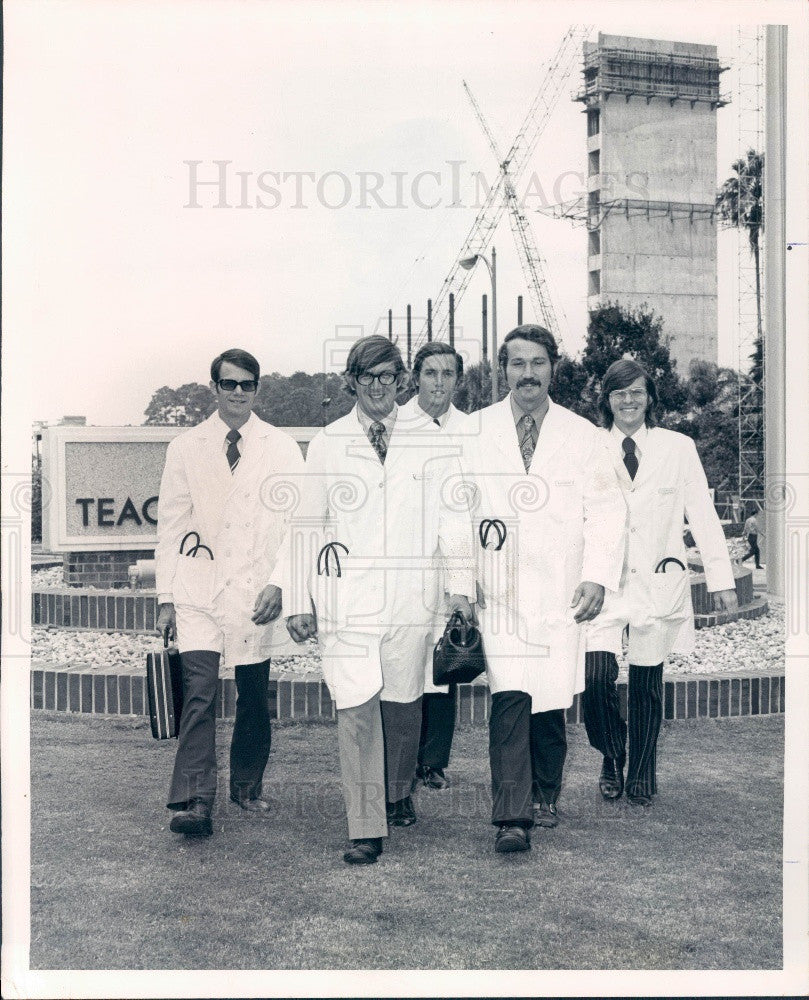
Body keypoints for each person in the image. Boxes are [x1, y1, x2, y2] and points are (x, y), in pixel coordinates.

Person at [279, 335, 475, 865]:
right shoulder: (326, 444)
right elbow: (305, 525)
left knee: (404, 705)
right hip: (348, 600)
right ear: (353, 382)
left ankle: (396, 790)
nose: (380, 387)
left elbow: (455, 519)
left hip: (411, 599)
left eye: (389, 376)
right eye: (369, 378)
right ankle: (365, 825)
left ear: (400, 380)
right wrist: (299, 598)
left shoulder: (431, 441)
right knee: (356, 709)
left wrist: (461, 589)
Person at [463, 325, 626, 854]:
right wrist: (461, 584)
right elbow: (454, 510)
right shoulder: (476, 431)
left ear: (553, 367)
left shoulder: (584, 437)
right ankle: (513, 815)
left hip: (560, 588)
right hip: (501, 589)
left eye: (537, 363)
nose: (527, 374)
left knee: (549, 699)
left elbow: (606, 512)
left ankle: (546, 794)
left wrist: (597, 575)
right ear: (502, 369)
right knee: (510, 694)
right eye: (517, 363)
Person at [155, 348, 304, 838]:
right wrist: (165, 598)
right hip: (199, 587)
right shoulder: (186, 447)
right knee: (198, 693)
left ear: (257, 389)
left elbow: (295, 526)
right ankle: (196, 801)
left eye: (247, 384)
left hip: (255, 592)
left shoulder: (281, 448)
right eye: (229, 384)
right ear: (214, 388)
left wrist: (281, 582)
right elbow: (171, 526)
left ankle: (246, 785)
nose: (238, 392)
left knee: (254, 696)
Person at [583, 359, 738, 808]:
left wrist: (720, 577)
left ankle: (642, 773)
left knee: (648, 683)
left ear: (650, 397)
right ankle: (612, 756)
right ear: (606, 400)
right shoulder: (590, 448)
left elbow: (702, 515)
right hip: (604, 586)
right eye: (618, 394)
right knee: (596, 680)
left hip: (658, 582)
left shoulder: (678, 447)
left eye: (636, 392)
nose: (627, 401)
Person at [399, 342, 469, 791]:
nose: (439, 382)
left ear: (457, 380)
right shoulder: (396, 424)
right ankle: (402, 762)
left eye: (447, 374)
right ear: (416, 377)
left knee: (446, 662)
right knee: (405, 668)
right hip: (406, 565)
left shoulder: (472, 429)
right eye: (430, 373)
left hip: (456, 563)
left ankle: (433, 761)